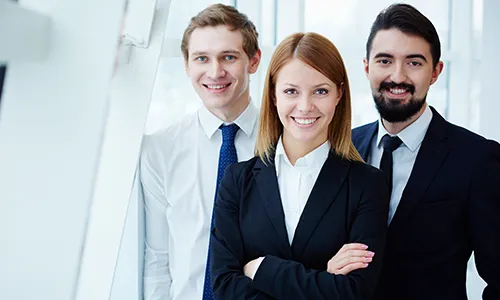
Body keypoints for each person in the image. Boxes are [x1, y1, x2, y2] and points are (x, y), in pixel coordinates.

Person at [209, 32, 390, 300]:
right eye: (291, 91)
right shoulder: (237, 180)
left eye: (320, 91)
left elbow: (354, 293)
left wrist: (261, 269)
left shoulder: (367, 184)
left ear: (339, 95)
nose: (305, 106)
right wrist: (324, 279)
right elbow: (224, 287)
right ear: (273, 95)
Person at [349, 3, 500, 300]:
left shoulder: (477, 160)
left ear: (435, 71)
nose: (397, 76)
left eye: (414, 63)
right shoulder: (344, 147)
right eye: (384, 61)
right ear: (367, 67)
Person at [139, 4, 261, 300]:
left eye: (228, 57)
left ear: (254, 60)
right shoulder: (160, 149)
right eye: (202, 59)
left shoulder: (284, 144)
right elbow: (157, 260)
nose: (215, 72)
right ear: (187, 65)